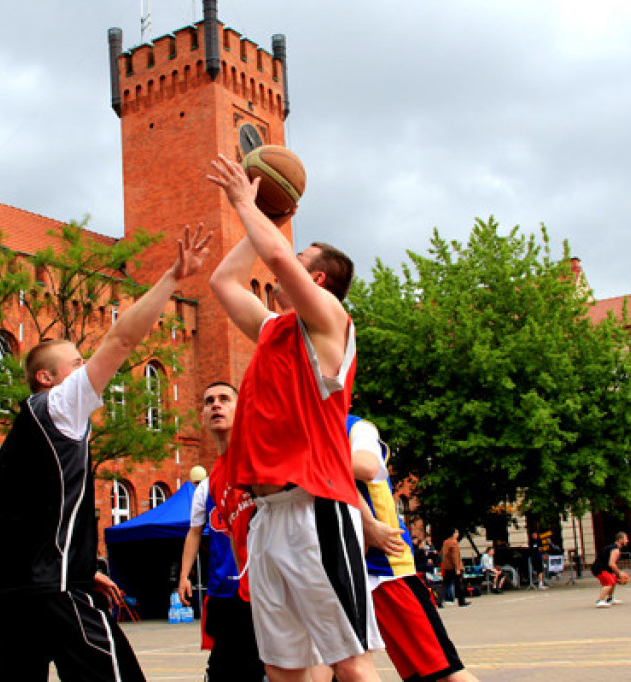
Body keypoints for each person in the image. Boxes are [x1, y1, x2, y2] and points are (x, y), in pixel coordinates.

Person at [0, 226, 210, 681]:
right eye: (76, 364)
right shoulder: (58, 406)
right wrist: (172, 279)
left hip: (8, 594)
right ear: (47, 378)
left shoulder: (24, 433)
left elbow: (29, 518)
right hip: (52, 590)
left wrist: (82, 568)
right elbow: (121, 341)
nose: (86, 369)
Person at [207, 155, 383, 681]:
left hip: (317, 510)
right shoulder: (272, 331)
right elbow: (223, 282)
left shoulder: (331, 321)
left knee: (349, 663)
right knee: (283, 669)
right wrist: (268, 213)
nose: (285, 250)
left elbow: (279, 261)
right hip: (267, 517)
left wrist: (245, 203)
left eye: (299, 252)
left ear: (320, 278)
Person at [350, 414, 478, 681]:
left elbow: (366, 466)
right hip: (350, 571)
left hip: (386, 569)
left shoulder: (356, 427)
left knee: (445, 672)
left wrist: (306, 460)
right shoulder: (309, 433)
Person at [177, 382, 265, 681]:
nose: (215, 405)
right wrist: (184, 576)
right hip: (238, 592)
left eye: (224, 399)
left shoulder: (260, 453)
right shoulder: (212, 481)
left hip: (284, 588)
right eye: (209, 401)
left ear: (241, 410)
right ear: (201, 415)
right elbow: (206, 534)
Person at [591, 532, 628, 608]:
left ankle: (610, 599)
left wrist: (616, 574)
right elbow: (611, 563)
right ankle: (600, 601)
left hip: (604, 567)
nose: (627, 541)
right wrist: (619, 573)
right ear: (620, 540)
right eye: (626, 539)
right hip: (600, 568)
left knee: (613, 580)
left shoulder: (613, 547)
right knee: (609, 582)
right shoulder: (615, 550)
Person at [440, 529, 470, 607]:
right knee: (459, 584)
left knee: (445, 584)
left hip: (447, 566)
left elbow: (443, 553)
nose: (458, 534)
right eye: (457, 532)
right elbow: (455, 556)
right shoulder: (454, 542)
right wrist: (457, 567)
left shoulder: (445, 542)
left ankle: (439, 600)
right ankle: (461, 601)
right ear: (454, 534)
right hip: (454, 567)